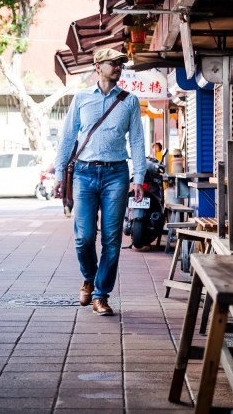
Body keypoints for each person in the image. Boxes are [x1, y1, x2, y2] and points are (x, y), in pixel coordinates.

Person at [55, 47, 147, 316]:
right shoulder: (81, 98)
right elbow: (68, 136)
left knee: (111, 239)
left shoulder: (129, 101)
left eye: (121, 64)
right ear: (98, 67)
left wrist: (138, 177)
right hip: (83, 174)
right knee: (83, 238)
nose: (118, 67)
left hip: (116, 175)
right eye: (112, 63)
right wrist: (60, 174)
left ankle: (101, 294)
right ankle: (89, 277)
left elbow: (138, 141)